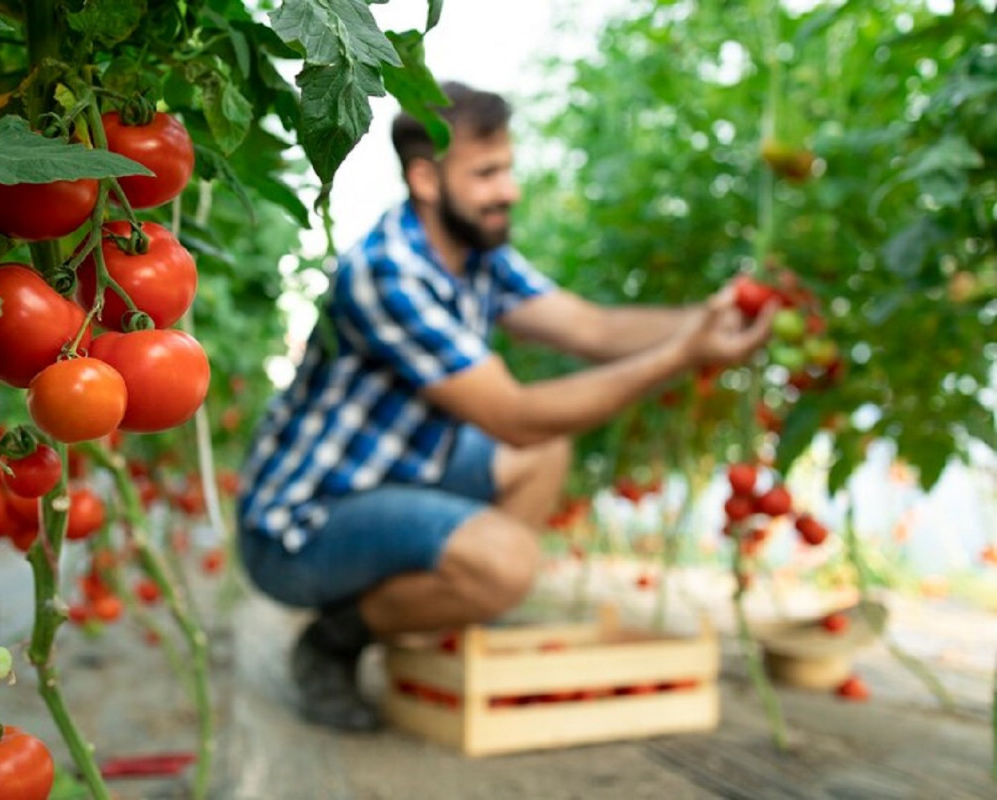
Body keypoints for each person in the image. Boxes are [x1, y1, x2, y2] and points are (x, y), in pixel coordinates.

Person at [235, 82, 776, 732]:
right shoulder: (389, 270)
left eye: (508, 168)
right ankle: (335, 640)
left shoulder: (477, 256)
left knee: (543, 454)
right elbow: (512, 415)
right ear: (426, 179)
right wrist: (684, 355)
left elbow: (593, 329)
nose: (509, 190)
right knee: (509, 560)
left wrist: (706, 320)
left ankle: (446, 612)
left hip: (396, 477)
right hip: (300, 528)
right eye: (487, 173)